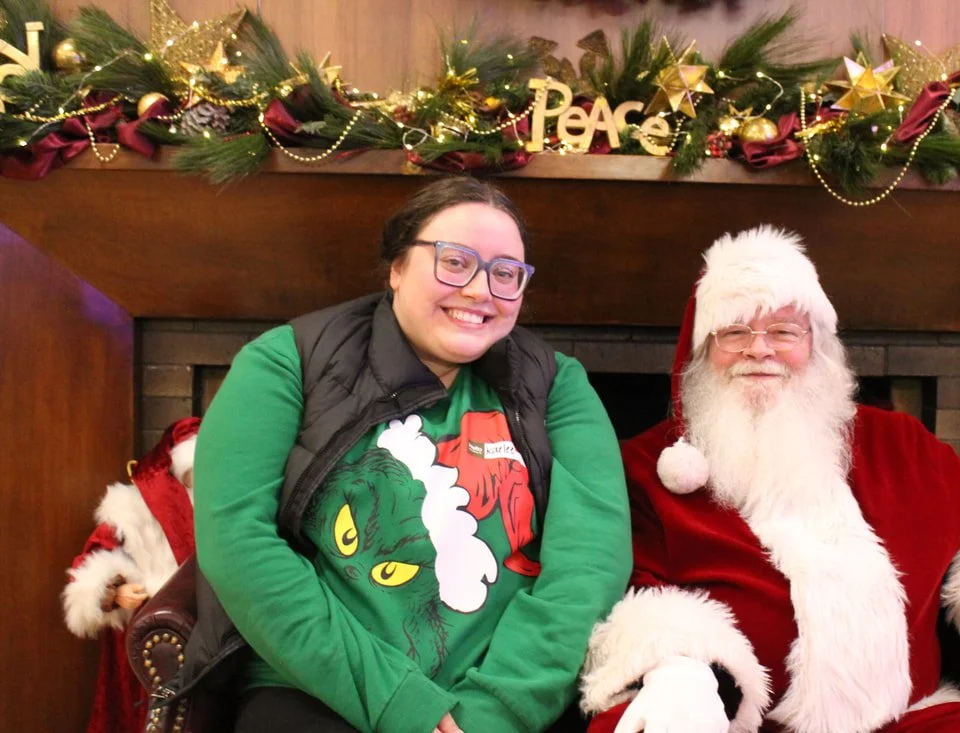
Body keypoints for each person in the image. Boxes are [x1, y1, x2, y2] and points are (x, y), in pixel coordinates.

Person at [578, 225, 960, 733]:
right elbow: (619, 593)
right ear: (701, 352)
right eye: (734, 332)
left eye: (784, 331)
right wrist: (679, 669)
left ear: (818, 346)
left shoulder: (896, 442)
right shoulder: (647, 466)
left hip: (914, 719)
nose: (759, 350)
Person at [189, 176, 632, 733]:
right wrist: (402, 705)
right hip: (320, 688)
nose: (480, 291)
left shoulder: (557, 385)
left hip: (503, 702)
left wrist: (496, 713)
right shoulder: (286, 362)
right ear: (395, 268)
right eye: (454, 262)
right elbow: (237, 541)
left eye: (505, 274)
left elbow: (589, 565)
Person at [62, 416, 201, 733]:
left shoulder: (215, 505)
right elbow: (91, 564)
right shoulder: (132, 507)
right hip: (150, 629)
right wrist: (114, 591)